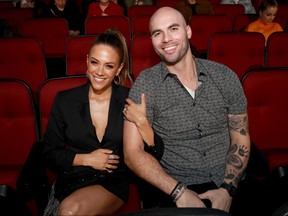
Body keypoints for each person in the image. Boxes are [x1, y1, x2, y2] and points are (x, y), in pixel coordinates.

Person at [123, 6, 251, 214]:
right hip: (176, 187)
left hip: (230, 182)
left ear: (188, 31)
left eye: (173, 29)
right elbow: (132, 153)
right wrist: (179, 193)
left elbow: (240, 138)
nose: (166, 39)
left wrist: (227, 189)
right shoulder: (145, 85)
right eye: (158, 33)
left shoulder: (225, 76)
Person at [42, 28, 135, 216]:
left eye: (109, 66)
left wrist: (142, 122)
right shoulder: (64, 100)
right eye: (95, 63)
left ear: (118, 69)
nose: (99, 72)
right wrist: (87, 159)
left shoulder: (129, 100)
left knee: (69, 211)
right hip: (73, 178)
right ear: (87, 61)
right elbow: (49, 153)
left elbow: (151, 150)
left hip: (111, 182)